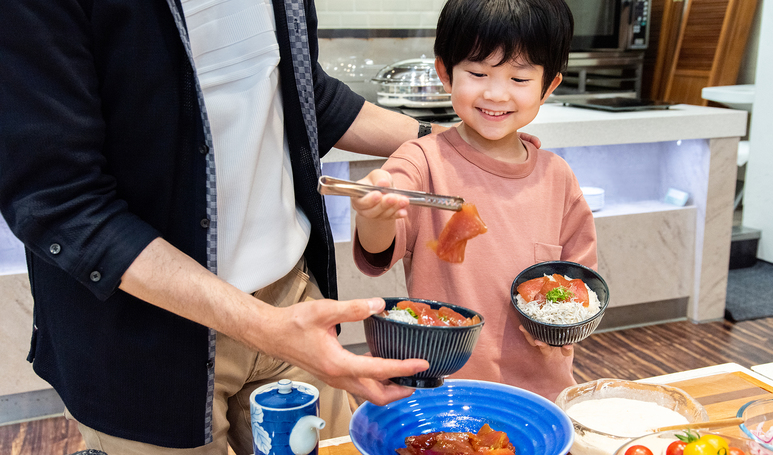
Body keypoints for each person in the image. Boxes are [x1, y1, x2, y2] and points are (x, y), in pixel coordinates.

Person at [0, 0, 446, 453]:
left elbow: (298, 87)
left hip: (293, 300)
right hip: (143, 341)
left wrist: (448, 150)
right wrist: (263, 326)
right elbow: (62, 202)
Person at [351, 0, 597, 402]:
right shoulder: (422, 159)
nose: (495, 94)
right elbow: (379, 250)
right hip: (442, 390)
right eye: (478, 73)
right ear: (445, 73)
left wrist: (563, 329)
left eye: (519, 79)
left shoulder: (558, 177)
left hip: (540, 394)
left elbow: (581, 282)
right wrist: (375, 213)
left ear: (549, 85)